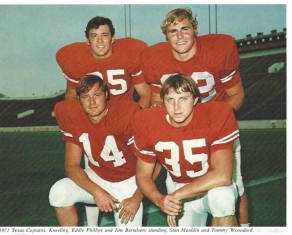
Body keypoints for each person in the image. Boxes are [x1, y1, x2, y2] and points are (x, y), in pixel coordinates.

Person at [139, 8, 248, 226]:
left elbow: (236, 95)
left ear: (195, 29)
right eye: (173, 31)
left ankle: (244, 227)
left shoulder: (217, 50)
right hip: (179, 130)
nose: (179, 36)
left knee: (232, 188)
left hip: (217, 127)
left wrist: (213, 123)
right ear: (166, 35)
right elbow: (157, 102)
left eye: (185, 29)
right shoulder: (154, 58)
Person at [133, 74, 239, 226]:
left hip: (210, 187)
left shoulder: (216, 115)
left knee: (222, 199)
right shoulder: (147, 122)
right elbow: (143, 175)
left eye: (183, 99)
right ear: (163, 102)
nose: (176, 107)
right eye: (170, 100)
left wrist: (176, 196)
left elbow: (222, 176)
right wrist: (160, 199)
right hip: (178, 187)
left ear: (195, 100)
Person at [49, 75, 143, 226]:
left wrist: (136, 198)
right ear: (78, 99)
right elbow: (71, 166)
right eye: (85, 97)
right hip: (98, 177)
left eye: (96, 95)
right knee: (58, 192)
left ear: (106, 95)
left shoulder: (126, 113)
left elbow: (152, 163)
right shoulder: (73, 116)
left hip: (129, 183)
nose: (92, 102)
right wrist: (97, 192)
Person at [56, 16, 151, 108]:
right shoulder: (76, 59)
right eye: (94, 36)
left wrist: (134, 119)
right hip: (92, 115)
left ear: (112, 38)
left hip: (123, 113)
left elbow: (145, 95)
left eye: (104, 35)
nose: (99, 41)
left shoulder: (129, 54)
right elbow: (71, 97)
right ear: (88, 41)